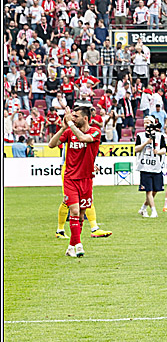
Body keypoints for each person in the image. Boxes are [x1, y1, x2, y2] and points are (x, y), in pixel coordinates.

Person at [49, 103, 102, 257]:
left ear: (85, 118)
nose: (73, 119)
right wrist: (63, 128)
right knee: (74, 210)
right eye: (72, 116)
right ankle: (78, 245)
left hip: (86, 179)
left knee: (80, 215)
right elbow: (51, 144)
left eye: (76, 116)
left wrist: (70, 124)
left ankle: (71, 247)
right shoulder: (69, 132)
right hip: (70, 178)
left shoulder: (95, 132)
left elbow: (83, 138)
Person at [135, 116, 167, 218]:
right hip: (145, 166)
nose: (146, 124)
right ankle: (154, 211)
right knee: (148, 190)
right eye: (145, 122)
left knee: (155, 190)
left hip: (156, 167)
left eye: (148, 122)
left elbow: (164, 149)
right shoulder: (140, 135)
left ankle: (143, 208)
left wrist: (158, 152)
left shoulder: (160, 136)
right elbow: (136, 149)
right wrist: (146, 143)